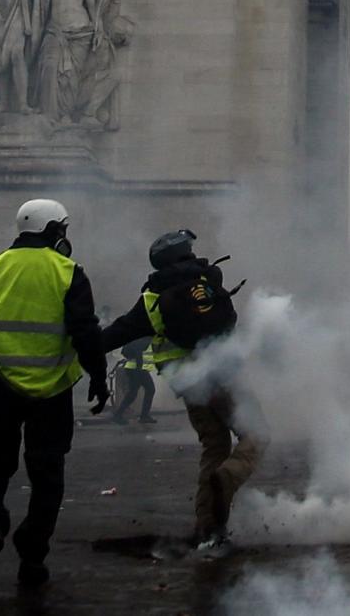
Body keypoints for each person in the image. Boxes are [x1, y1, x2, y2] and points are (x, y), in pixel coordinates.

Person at [0, 198, 108, 587]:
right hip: (53, 389)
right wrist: (97, 376)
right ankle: (33, 555)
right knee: (47, 474)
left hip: (0, 384)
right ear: (56, 231)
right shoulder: (68, 272)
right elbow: (85, 330)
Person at [102, 230, 268, 549]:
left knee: (214, 445)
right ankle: (229, 476)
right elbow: (227, 325)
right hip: (220, 374)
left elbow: (116, 334)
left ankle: (209, 529)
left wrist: (79, 346)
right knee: (256, 435)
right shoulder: (208, 283)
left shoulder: (151, 298)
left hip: (187, 381)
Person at [111, 337, 155, 425]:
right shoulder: (145, 338)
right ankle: (143, 416)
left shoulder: (144, 337)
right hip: (137, 369)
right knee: (150, 389)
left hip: (135, 368)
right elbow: (139, 352)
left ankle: (119, 415)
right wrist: (140, 367)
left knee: (133, 393)